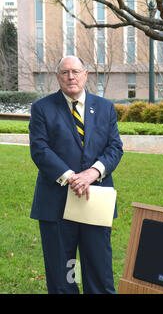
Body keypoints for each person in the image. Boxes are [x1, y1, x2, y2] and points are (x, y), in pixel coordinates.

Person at [29, 56, 123, 293]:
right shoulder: (42, 108)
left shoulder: (105, 108)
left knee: (99, 271)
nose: (71, 76)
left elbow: (115, 147)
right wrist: (72, 177)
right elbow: (40, 150)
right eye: (65, 72)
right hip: (56, 202)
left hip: (95, 199)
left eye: (75, 71)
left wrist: (92, 173)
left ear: (86, 74)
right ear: (57, 77)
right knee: (63, 277)